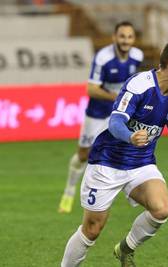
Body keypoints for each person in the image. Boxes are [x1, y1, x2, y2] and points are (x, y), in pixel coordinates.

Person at [60, 41, 168, 267]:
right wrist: (130, 136)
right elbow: (116, 121)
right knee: (92, 230)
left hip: (141, 163)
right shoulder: (139, 85)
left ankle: (125, 249)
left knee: (161, 209)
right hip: (107, 162)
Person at [58, 21, 144, 213]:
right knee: (83, 155)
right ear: (114, 37)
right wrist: (117, 97)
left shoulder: (138, 56)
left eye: (129, 37)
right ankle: (69, 191)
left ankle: (132, 192)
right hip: (97, 113)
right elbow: (91, 89)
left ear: (133, 39)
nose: (125, 41)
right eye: (122, 36)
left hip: (119, 113)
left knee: (126, 147)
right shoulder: (103, 58)